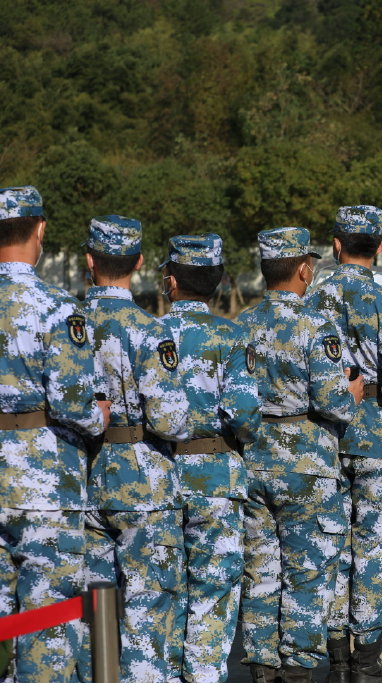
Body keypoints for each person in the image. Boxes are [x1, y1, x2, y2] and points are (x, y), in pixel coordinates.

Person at [237, 227, 362, 683]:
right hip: (306, 464)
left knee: (261, 570)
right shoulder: (315, 325)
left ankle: (261, 668)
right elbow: (332, 401)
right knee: (307, 575)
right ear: (306, 270)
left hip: (253, 460)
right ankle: (297, 672)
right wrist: (354, 392)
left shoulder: (242, 325)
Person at [0, 187, 108, 683]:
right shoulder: (57, 307)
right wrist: (100, 416)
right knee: (44, 623)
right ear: (40, 230)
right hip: (43, 484)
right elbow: (72, 403)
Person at [306, 206, 382, 683]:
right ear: (380, 246)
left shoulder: (310, 299)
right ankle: (366, 664)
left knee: (331, 544)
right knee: (373, 546)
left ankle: (336, 660)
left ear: (335, 245)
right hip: (376, 435)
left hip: (324, 434)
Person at [82, 215, 191, 683]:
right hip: (141, 475)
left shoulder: (67, 321)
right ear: (141, 261)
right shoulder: (149, 330)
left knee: (89, 606)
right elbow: (172, 420)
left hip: (80, 472)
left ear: (89, 262)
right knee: (148, 602)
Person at [159, 234, 261, 683]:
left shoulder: (149, 331)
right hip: (216, 478)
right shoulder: (231, 335)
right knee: (214, 591)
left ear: (170, 282)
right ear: (219, 283)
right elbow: (245, 416)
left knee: (161, 592)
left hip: (157, 474)